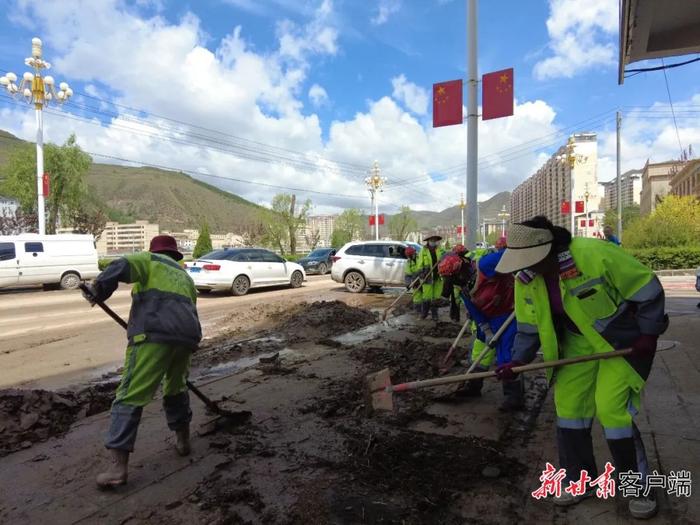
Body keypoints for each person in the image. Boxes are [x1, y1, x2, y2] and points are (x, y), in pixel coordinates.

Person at [494, 216, 667, 519]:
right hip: (573, 345)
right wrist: (517, 362)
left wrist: (648, 334)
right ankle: (579, 480)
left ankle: (637, 486)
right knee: (570, 410)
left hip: (618, 342)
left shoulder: (591, 254)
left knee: (612, 410)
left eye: (532, 261)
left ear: (548, 249)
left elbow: (647, 287)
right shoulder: (526, 280)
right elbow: (528, 326)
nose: (528, 268)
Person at [83, 235, 202, 489]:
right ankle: (183, 442)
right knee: (176, 387)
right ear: (175, 255)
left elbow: (122, 264)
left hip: (153, 335)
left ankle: (117, 469)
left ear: (154, 251)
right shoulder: (185, 277)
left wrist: (98, 290)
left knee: (130, 394)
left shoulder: (148, 260)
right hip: (187, 337)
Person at [439, 245, 521, 410]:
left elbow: (514, 254)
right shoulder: (464, 289)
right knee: (479, 352)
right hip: (489, 319)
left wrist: (525, 271)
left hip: (509, 313)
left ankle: (514, 396)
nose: (456, 282)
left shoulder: (485, 265)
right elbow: (475, 311)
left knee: (506, 355)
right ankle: (473, 386)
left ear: (462, 268)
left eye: (456, 277)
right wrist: (487, 330)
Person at [416, 232, 445, 321]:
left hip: (438, 277)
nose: (433, 241)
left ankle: (434, 315)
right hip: (427, 277)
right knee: (427, 297)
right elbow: (419, 264)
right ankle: (423, 314)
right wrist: (421, 275)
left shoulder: (440, 250)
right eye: (432, 240)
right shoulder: (423, 251)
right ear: (428, 241)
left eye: (435, 240)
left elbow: (444, 259)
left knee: (436, 297)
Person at [403, 246, 423, 314]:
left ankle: (426, 311)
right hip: (416, 282)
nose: (411, 257)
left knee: (426, 296)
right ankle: (417, 311)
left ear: (414, 253)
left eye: (411, 255)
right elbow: (408, 275)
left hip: (424, 280)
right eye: (409, 256)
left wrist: (422, 272)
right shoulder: (409, 262)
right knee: (417, 297)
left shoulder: (420, 257)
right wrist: (408, 284)